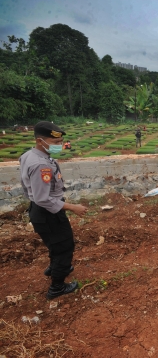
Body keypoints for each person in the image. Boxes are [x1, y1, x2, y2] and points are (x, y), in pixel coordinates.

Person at [19, 122, 88, 299]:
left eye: (61, 142)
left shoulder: (29, 155)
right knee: (64, 246)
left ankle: (54, 267)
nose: (59, 146)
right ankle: (57, 287)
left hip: (40, 210)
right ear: (40, 141)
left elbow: (29, 188)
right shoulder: (41, 165)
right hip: (48, 212)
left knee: (55, 242)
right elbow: (43, 198)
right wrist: (73, 207)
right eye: (55, 142)